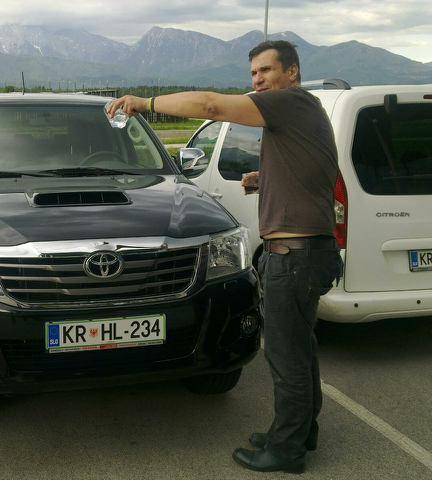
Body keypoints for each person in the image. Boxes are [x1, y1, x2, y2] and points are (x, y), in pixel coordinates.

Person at [106, 40, 341, 474]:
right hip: (307, 254)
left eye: (266, 70)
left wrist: (145, 103)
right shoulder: (304, 110)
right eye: (253, 73)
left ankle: (286, 450)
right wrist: (264, 178)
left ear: (292, 72)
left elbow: (211, 105)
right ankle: (300, 431)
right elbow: (314, 169)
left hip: (294, 257)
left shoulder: (289, 102)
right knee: (301, 350)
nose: (257, 80)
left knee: (286, 357)